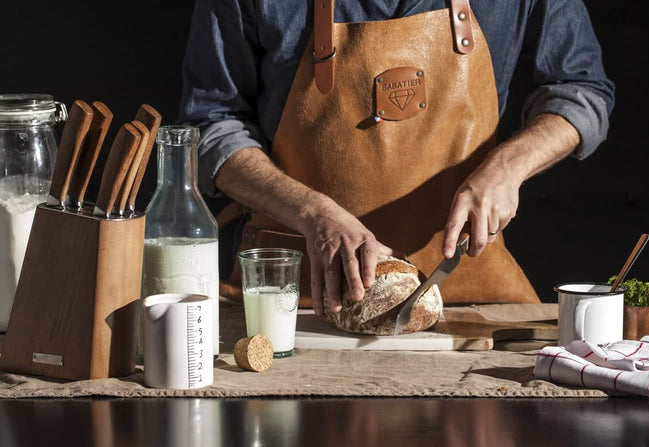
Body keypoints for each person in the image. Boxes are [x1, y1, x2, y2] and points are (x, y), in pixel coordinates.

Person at [179, 0, 614, 315]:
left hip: (469, 296)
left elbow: (582, 91)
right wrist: (312, 214)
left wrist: (509, 165)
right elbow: (211, 126)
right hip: (294, 304)